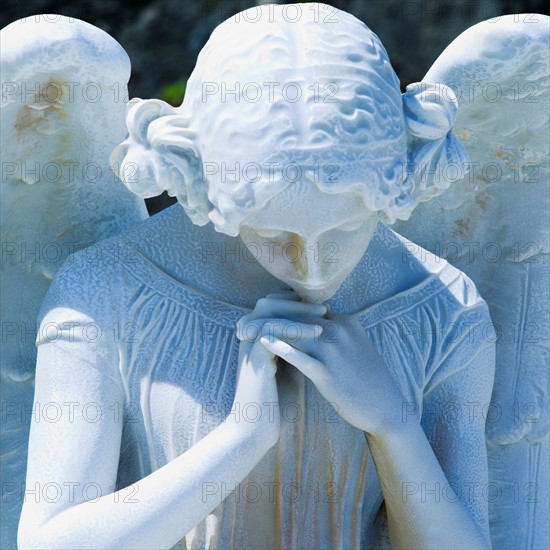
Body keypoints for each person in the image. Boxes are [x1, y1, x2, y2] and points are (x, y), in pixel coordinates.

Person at [19, 4, 494, 549]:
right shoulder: (108, 292)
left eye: (346, 229)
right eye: (272, 235)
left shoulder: (443, 308)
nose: (313, 269)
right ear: (205, 187)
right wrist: (241, 440)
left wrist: (394, 428)